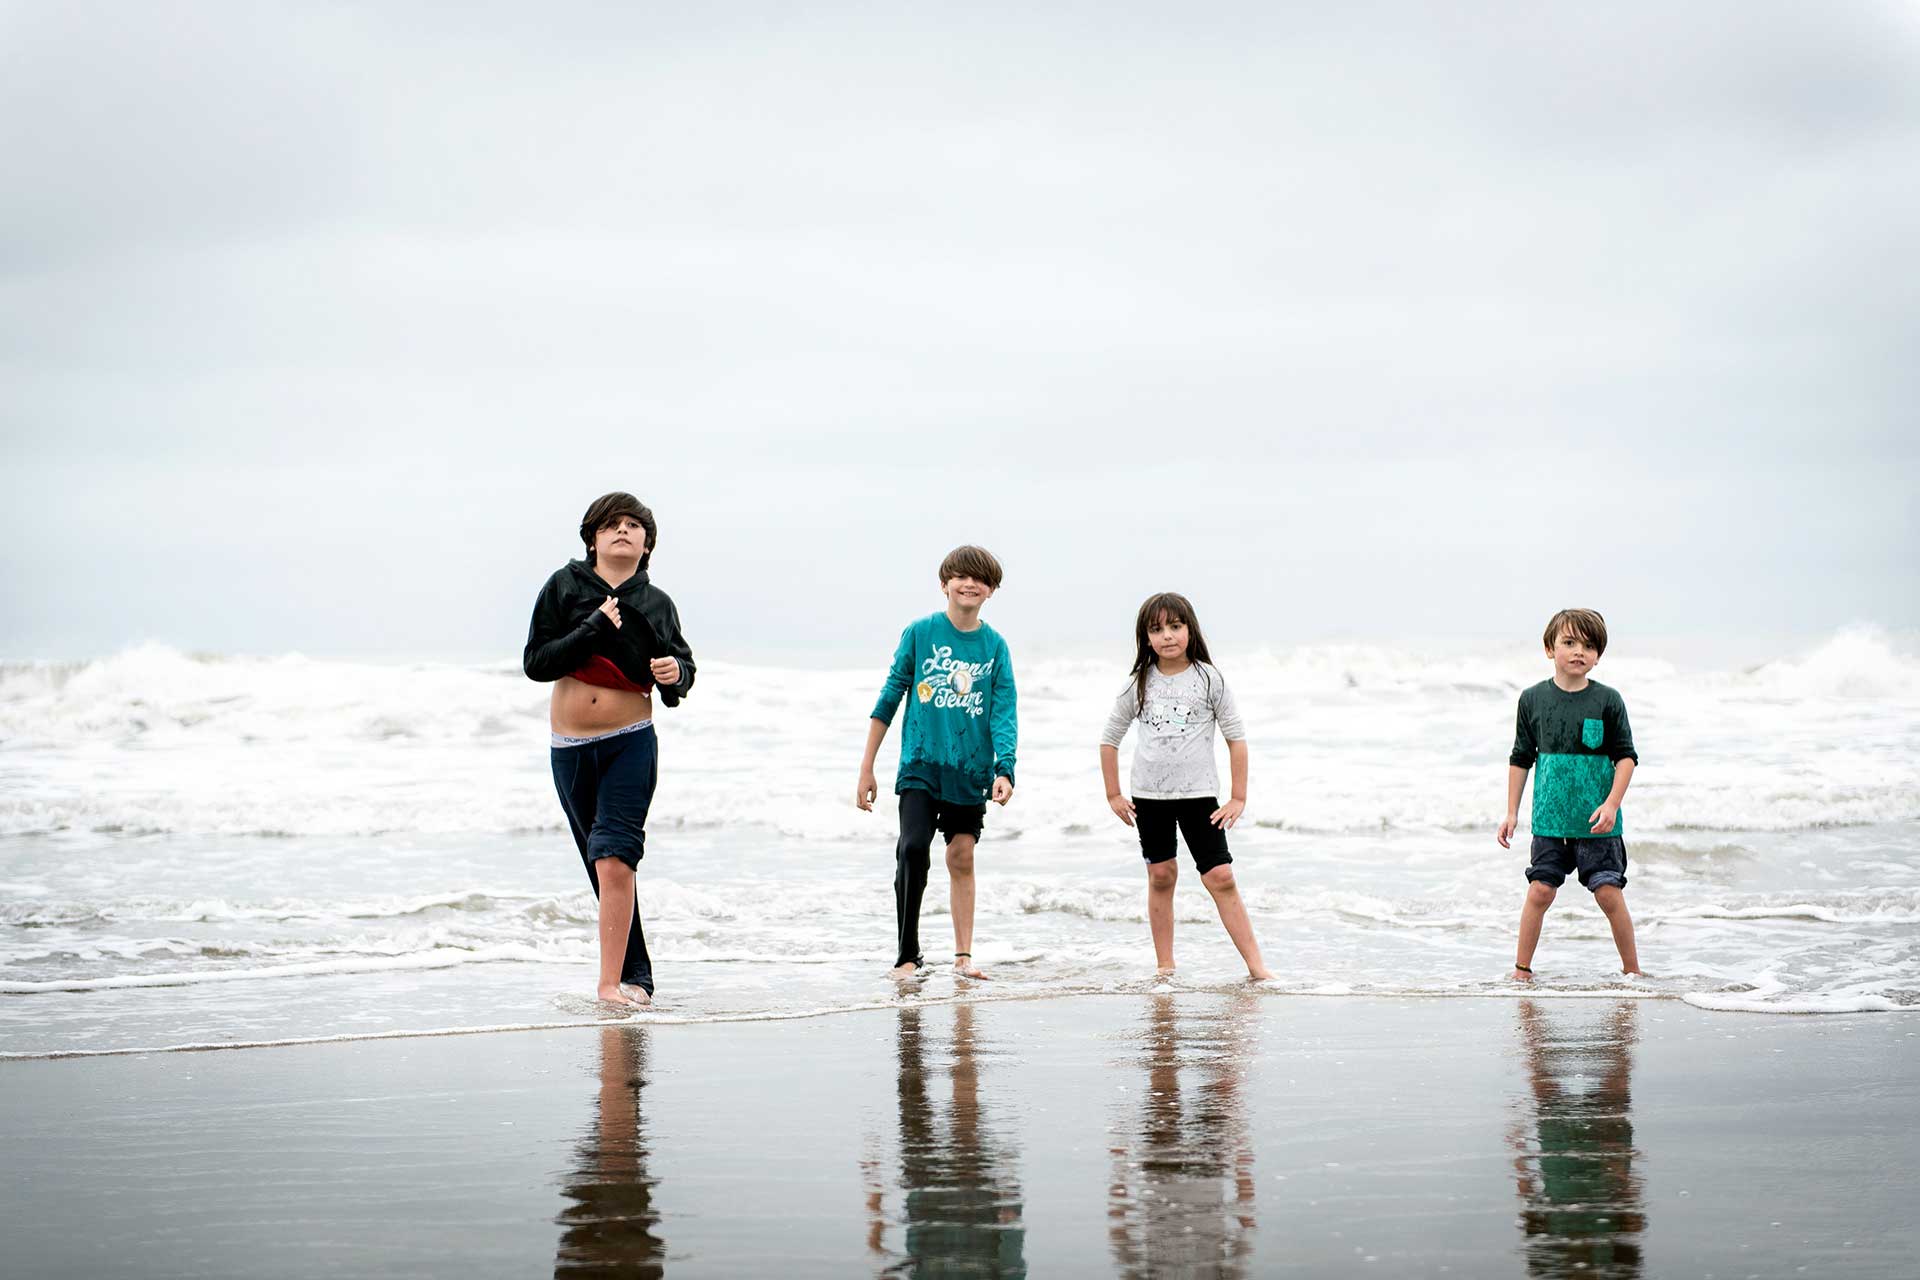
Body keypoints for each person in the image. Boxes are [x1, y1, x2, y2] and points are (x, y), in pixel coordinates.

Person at [525, 493, 695, 1008]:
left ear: (647, 544)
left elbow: (680, 673)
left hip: (630, 742)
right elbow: (537, 662)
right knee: (601, 865)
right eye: (611, 525)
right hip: (571, 748)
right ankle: (637, 976)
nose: (622, 531)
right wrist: (594, 627)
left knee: (616, 859)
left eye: (633, 526)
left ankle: (608, 987)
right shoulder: (564, 586)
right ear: (593, 538)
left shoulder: (657, 602)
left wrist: (676, 674)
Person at [857, 545, 1017, 980]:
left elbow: (1003, 711)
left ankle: (963, 957)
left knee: (961, 855)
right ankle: (908, 954)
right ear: (944, 582)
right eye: (961, 576)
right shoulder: (921, 632)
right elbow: (889, 697)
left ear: (991, 590)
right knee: (912, 849)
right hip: (921, 763)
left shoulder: (995, 646)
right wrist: (867, 766)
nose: (970, 584)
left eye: (980, 579)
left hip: (970, 768)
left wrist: (1006, 768)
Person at [1099, 592, 1271, 981]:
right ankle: (1165, 967)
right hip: (1150, 797)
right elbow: (1109, 739)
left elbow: (1236, 738)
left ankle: (1257, 968)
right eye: (1156, 629)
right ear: (1146, 638)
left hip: (1199, 797)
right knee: (1161, 876)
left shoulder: (1210, 678)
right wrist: (1112, 793)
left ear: (1191, 630)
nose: (1168, 636)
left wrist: (1238, 796)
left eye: (1175, 627)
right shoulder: (1139, 682)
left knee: (1221, 877)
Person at [1498, 608, 1640, 981]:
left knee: (1609, 893)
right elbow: (1521, 757)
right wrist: (1512, 812)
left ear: (1598, 655)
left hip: (1597, 821)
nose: (1580, 651)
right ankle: (1521, 971)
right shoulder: (1532, 699)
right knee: (1540, 892)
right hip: (1549, 819)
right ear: (1550, 648)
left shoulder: (1608, 700)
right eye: (1570, 642)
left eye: (1590, 646)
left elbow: (1626, 758)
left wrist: (1611, 804)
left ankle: (1633, 972)